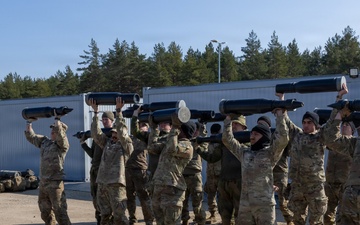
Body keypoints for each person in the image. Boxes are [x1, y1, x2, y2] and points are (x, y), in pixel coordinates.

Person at [279, 88, 347, 225]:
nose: (306, 125)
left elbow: (332, 122)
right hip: (297, 185)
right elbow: (285, 120)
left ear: (315, 125)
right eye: (304, 122)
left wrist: (339, 98)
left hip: (314, 186)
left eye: (309, 123)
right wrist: (281, 98)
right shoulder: (296, 135)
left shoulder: (319, 137)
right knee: (297, 219)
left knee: (316, 221)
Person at [222, 109, 288, 225]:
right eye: (251, 133)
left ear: (264, 137)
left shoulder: (270, 153)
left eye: (256, 134)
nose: (252, 136)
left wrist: (280, 116)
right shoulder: (244, 153)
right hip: (245, 205)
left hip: (264, 206)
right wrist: (228, 120)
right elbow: (228, 140)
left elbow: (282, 139)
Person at [90, 97, 133, 225]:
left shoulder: (126, 146)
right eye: (113, 133)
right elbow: (95, 133)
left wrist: (119, 112)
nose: (115, 135)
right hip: (103, 183)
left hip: (116, 185)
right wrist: (95, 114)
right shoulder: (107, 143)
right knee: (105, 216)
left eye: (117, 133)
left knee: (119, 216)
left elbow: (122, 132)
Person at [24, 110, 71, 225]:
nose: (52, 132)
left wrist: (57, 119)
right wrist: (29, 122)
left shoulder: (62, 146)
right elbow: (32, 137)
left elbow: (61, 136)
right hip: (44, 183)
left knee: (60, 212)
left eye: (55, 130)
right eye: (52, 130)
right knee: (45, 213)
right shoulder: (45, 142)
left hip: (55, 185)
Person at [197, 115, 246, 225]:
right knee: (224, 214)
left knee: (240, 214)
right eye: (232, 124)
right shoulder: (224, 143)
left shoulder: (248, 142)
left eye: (236, 124)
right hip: (224, 182)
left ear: (243, 127)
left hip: (240, 182)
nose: (233, 126)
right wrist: (198, 149)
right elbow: (212, 157)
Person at [149, 114, 195, 225]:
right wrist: (154, 129)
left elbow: (172, 149)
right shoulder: (169, 142)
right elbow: (152, 147)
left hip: (172, 191)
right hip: (159, 188)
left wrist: (174, 127)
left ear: (182, 131)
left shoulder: (187, 146)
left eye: (179, 128)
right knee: (160, 222)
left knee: (172, 222)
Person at [257, 116, 294, 225]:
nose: (261, 126)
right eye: (259, 123)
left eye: (263, 124)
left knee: (282, 202)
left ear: (269, 126)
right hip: (266, 173)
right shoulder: (256, 137)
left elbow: (288, 150)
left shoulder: (277, 137)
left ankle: (290, 220)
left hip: (280, 172)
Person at [80, 111, 114, 224]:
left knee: (106, 198)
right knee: (95, 196)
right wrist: (83, 144)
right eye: (103, 120)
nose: (104, 122)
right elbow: (93, 155)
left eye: (106, 120)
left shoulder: (113, 136)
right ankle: (99, 219)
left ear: (112, 121)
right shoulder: (97, 137)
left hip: (105, 172)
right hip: (95, 170)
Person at [126, 108, 154, 225]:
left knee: (144, 197)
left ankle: (149, 220)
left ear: (147, 127)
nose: (140, 127)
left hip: (140, 170)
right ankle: (132, 219)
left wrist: (135, 116)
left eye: (143, 125)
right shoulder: (131, 137)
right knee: (129, 197)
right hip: (128, 170)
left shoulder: (147, 137)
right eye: (139, 125)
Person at [324, 120, 354, 225]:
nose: (344, 127)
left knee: (342, 216)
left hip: (344, 185)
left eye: (347, 125)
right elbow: (327, 139)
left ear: (352, 129)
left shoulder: (353, 143)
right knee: (326, 215)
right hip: (330, 184)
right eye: (343, 125)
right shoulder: (335, 143)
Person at [181, 122, 207, 225]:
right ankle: (184, 220)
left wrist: (202, 130)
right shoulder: (183, 141)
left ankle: (200, 221)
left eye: (197, 130)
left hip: (195, 176)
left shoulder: (200, 141)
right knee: (183, 202)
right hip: (182, 175)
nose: (195, 132)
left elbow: (205, 145)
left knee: (197, 202)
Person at [203, 123, 222, 224]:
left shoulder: (222, 142)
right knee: (211, 196)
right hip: (211, 173)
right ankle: (213, 215)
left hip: (220, 174)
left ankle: (224, 217)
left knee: (223, 197)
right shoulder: (209, 142)